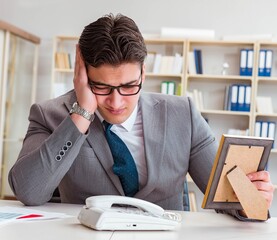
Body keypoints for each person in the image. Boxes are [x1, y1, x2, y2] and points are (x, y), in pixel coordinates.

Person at [8, 14, 274, 221]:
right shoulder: (49, 115)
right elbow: (29, 192)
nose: (116, 101)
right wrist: (82, 113)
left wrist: (251, 199)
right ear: (82, 75)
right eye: (101, 86)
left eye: (128, 86)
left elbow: (228, 200)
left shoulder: (183, 114)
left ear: (143, 73)